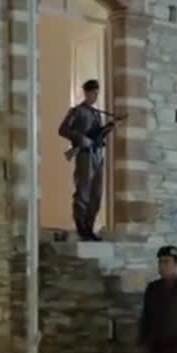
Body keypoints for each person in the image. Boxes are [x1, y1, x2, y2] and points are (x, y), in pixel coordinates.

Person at [58, 80, 107, 241]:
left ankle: (90, 226)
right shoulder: (77, 111)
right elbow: (63, 129)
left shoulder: (97, 113)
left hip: (97, 153)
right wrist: (80, 138)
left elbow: (98, 133)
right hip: (84, 153)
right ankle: (82, 227)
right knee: (83, 191)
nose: (95, 96)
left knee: (96, 193)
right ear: (86, 93)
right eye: (93, 93)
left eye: (97, 93)